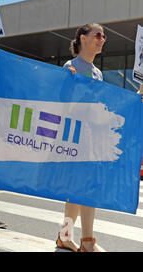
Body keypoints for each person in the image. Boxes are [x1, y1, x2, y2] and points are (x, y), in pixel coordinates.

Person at [56, 23, 107, 252]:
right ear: (82, 39)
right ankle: (87, 241)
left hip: (92, 138)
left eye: (104, 36)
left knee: (76, 193)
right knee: (86, 189)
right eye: (97, 35)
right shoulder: (70, 66)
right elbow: (63, 104)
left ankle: (65, 237)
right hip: (75, 138)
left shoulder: (98, 72)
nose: (102, 39)